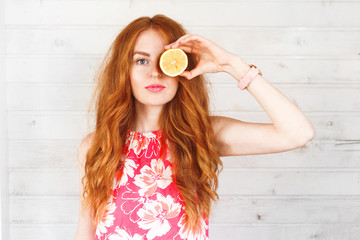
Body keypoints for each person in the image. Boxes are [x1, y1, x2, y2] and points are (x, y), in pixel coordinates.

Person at [74, 14, 315, 240]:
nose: (155, 72)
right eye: (141, 60)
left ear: (181, 67)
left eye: (164, 60)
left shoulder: (203, 134)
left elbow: (298, 133)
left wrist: (233, 65)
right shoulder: (96, 146)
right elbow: (85, 230)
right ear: (123, 70)